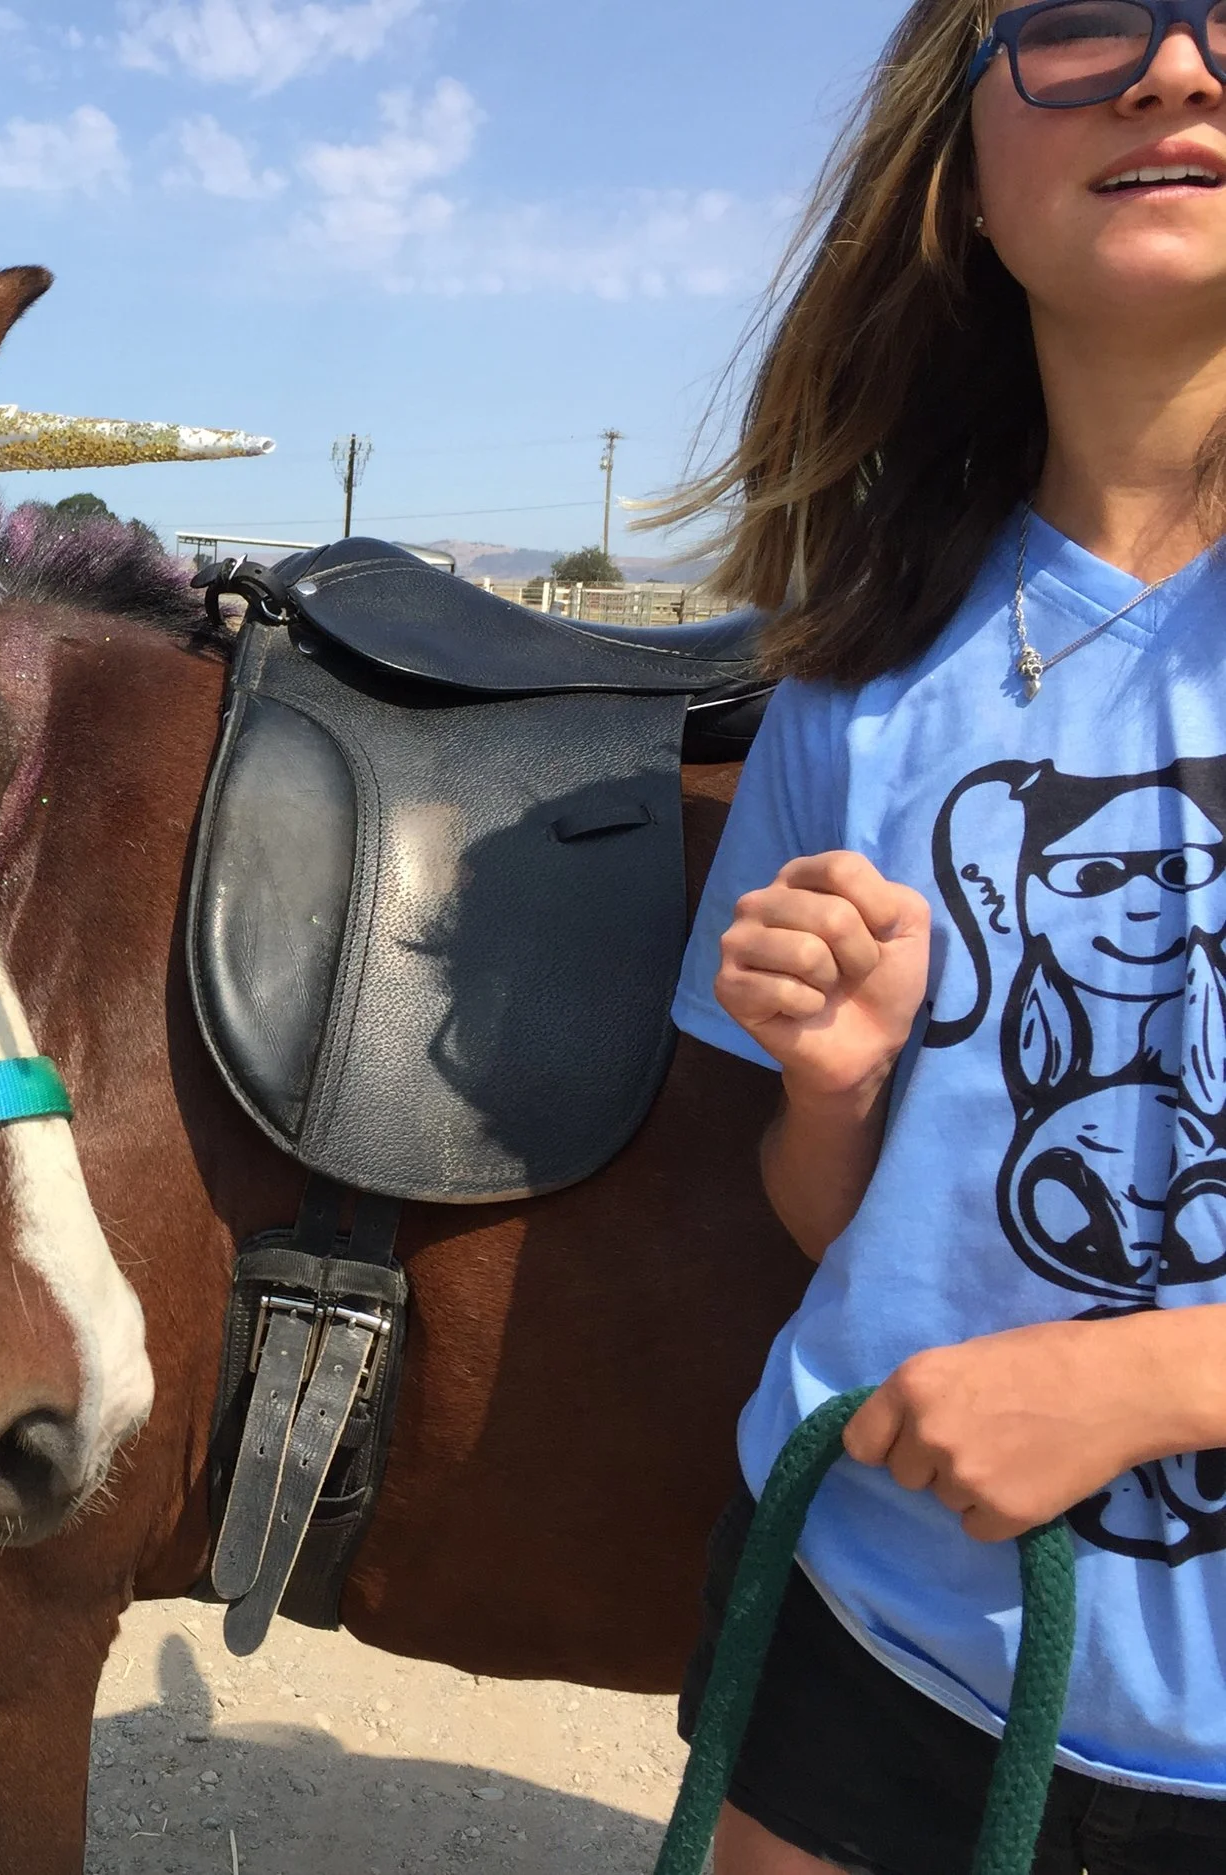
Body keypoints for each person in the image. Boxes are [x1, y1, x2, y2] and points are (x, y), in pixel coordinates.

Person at [665, 2, 1226, 1868]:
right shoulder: (859, 676)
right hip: (869, 1637)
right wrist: (834, 1094)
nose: (1174, 71)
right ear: (962, 181)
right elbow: (850, 1232)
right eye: (1078, 25)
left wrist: (1154, 1378)